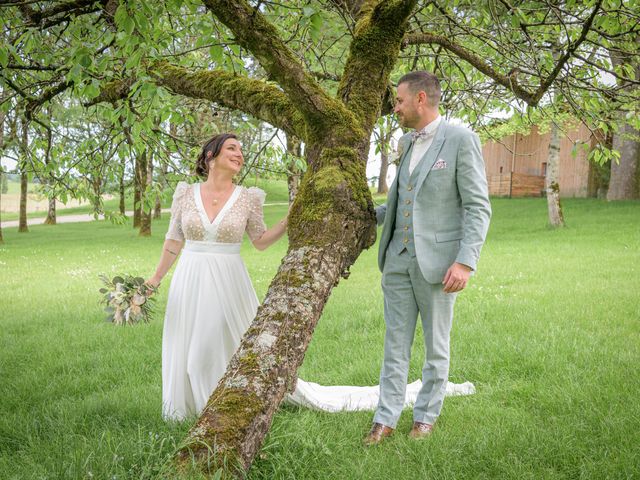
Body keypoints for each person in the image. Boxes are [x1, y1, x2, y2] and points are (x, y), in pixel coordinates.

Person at [363, 71, 491, 445]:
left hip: (439, 264)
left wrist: (465, 262)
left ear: (421, 99)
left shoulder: (460, 139)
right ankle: (385, 418)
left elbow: (477, 206)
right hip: (397, 259)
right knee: (394, 343)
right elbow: (403, 200)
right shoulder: (404, 142)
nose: (395, 108)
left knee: (436, 346)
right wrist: (362, 213)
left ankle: (425, 417)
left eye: (399, 101)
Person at [146, 133, 288, 421]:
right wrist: (154, 279)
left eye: (241, 150)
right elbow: (173, 241)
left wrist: (290, 219)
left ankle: (219, 414)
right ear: (210, 157)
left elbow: (260, 240)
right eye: (232, 149)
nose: (239, 154)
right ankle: (193, 412)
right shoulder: (186, 193)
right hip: (190, 277)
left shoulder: (248, 198)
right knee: (187, 347)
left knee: (207, 351)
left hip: (228, 279)